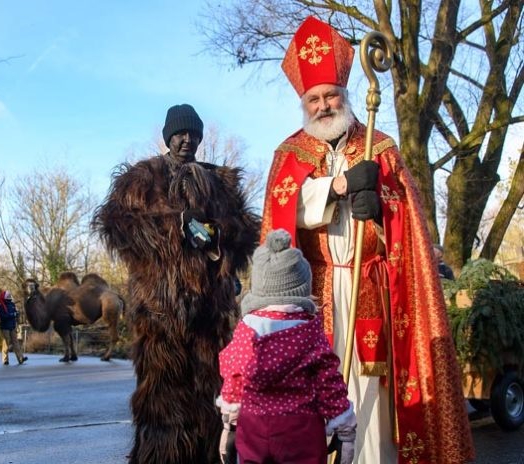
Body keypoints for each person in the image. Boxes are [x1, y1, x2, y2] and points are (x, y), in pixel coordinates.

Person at [259, 16, 474, 464]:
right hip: (314, 295)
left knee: (372, 396)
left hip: (370, 288)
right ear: (304, 103)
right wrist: (337, 189)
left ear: (346, 96)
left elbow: (409, 229)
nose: (323, 105)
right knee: (317, 389)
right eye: (314, 99)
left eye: (331, 96)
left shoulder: (381, 146)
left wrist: (380, 212)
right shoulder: (288, 153)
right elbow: (282, 219)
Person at [92, 103, 260, 464]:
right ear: (167, 136)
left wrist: (216, 234)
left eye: (193, 133)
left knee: (210, 397)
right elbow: (117, 224)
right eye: (180, 133)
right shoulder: (143, 178)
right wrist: (175, 225)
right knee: (161, 402)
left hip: (210, 317)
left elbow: (245, 234)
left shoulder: (220, 181)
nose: (187, 140)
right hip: (159, 316)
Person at [218, 229, 356, 464]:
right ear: (301, 288)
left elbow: (234, 375)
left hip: (254, 426)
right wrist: (344, 428)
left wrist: (230, 421)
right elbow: (328, 383)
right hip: (300, 429)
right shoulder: (309, 331)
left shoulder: (246, 330)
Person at [0, 290, 28, 365]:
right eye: (7, 295)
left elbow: (15, 314)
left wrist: (16, 314)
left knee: (16, 343)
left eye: (9, 295)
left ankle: (21, 358)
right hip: (5, 327)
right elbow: (3, 316)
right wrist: (12, 314)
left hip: (12, 327)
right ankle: (5, 359)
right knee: (6, 344)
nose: (9, 296)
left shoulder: (12, 304)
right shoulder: (0, 306)